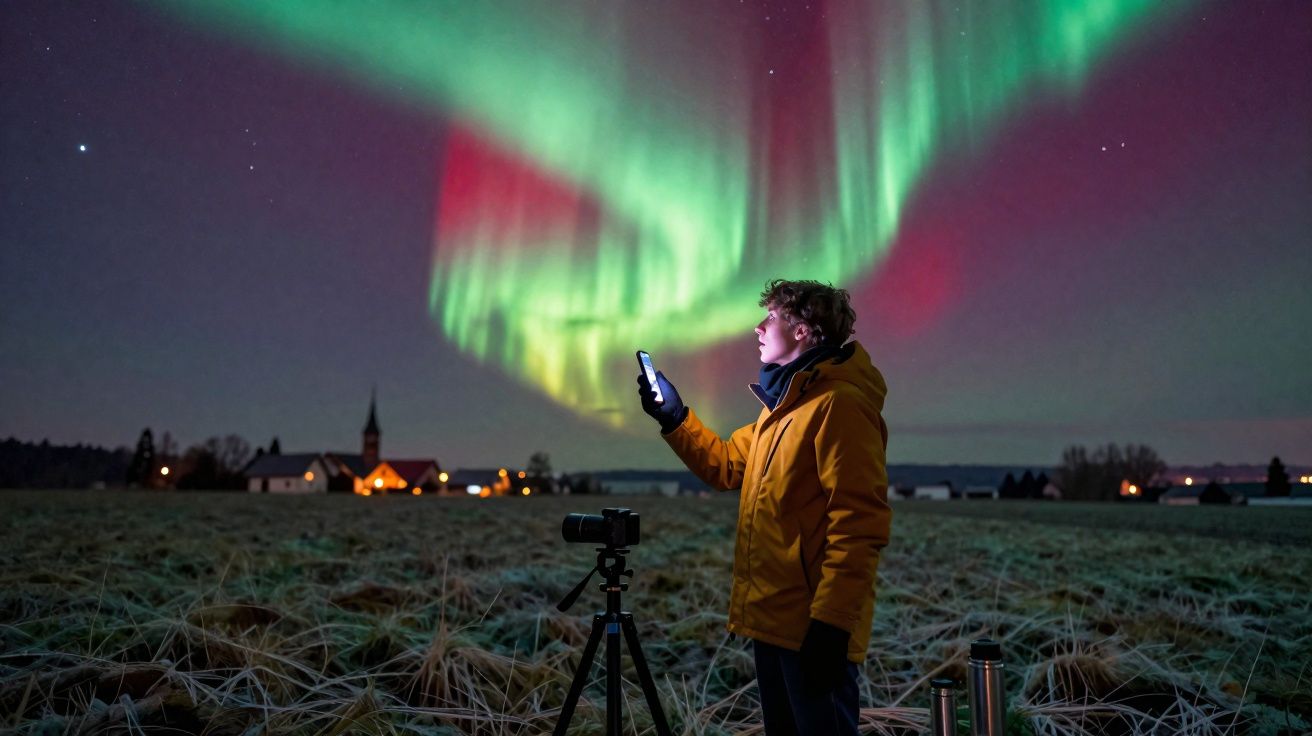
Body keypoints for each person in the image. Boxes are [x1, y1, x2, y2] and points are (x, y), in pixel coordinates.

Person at [637, 279, 891, 736]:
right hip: (774, 625)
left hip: (813, 631)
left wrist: (832, 627)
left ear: (803, 331)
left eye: (770, 317)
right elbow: (726, 466)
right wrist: (675, 417)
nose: (757, 328)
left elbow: (859, 526)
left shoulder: (840, 406)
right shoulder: (782, 410)